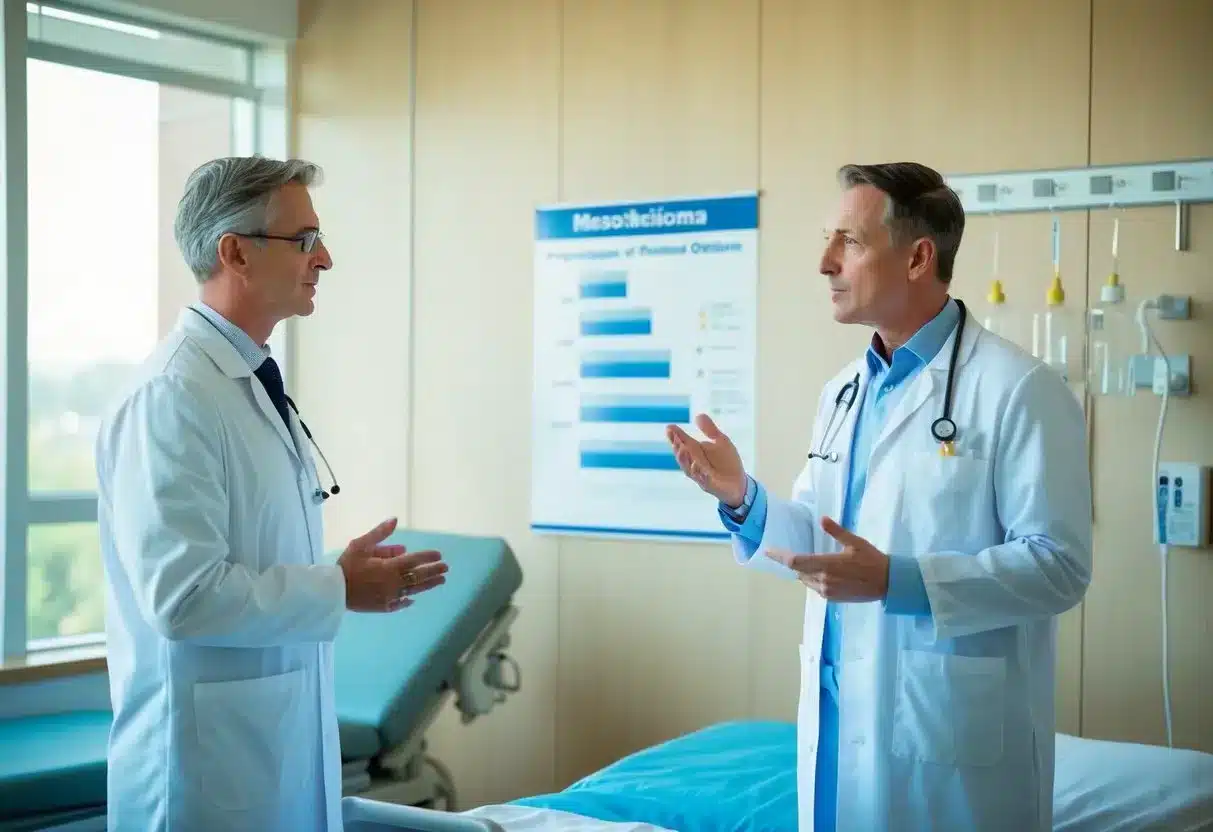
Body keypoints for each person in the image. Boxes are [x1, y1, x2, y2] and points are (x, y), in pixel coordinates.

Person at [667, 162, 1092, 831]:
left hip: (948, 745)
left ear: (918, 258)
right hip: (840, 722)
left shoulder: (1018, 389)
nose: (824, 263)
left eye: (850, 242)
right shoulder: (843, 391)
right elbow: (824, 543)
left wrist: (898, 581)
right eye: (827, 241)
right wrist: (742, 498)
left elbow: (1058, 566)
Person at [95, 156, 448, 832]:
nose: (325, 259)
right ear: (236, 253)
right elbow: (183, 598)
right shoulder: (172, 396)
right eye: (304, 240)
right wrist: (338, 587)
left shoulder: (244, 380)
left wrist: (337, 579)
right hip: (199, 771)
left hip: (261, 741)